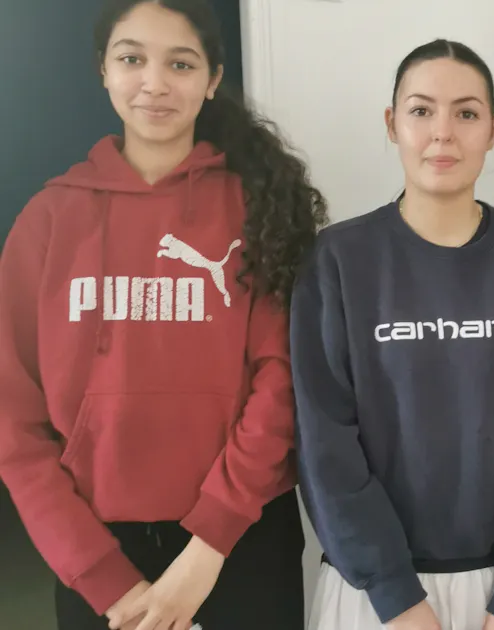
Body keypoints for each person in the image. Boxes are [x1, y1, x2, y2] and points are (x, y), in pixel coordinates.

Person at [0, 0, 328, 628]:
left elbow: (284, 380)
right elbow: (15, 420)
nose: (154, 83)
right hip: (95, 546)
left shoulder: (261, 209)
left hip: (240, 541)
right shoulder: (47, 221)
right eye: (132, 59)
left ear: (212, 79)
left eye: (180, 63)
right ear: (103, 69)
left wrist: (209, 545)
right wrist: (104, 579)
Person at [292, 39, 494, 630]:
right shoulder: (339, 261)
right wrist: (396, 597)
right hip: (377, 598)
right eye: (421, 110)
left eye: (467, 113)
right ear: (392, 123)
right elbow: (324, 442)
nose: (443, 132)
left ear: (492, 129)